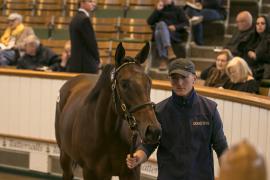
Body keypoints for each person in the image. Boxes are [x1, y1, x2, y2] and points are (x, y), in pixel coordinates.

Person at [126, 59, 228, 179]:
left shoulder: (210, 109)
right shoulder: (159, 111)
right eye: (174, 78)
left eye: (184, 77)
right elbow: (148, 146)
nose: (179, 83)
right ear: (169, 79)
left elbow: (221, 147)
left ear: (194, 78)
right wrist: (138, 157)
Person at [147, 0, 189, 70]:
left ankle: (163, 59)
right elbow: (149, 22)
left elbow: (186, 23)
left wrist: (175, 27)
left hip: (172, 34)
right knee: (161, 24)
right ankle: (169, 49)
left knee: (158, 32)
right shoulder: (160, 9)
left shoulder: (178, 9)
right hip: (161, 32)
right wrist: (157, 10)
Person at [67, 0, 100, 73]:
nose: (93, 4)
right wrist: (97, 59)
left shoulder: (75, 19)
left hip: (75, 64)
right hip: (86, 65)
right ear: (82, 2)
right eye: (90, 1)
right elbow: (91, 43)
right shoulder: (84, 19)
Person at [242, 15, 270, 80]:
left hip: (263, 70)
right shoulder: (254, 37)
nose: (259, 25)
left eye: (262, 23)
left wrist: (256, 56)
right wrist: (249, 51)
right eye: (257, 24)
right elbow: (243, 47)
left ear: (268, 25)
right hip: (252, 67)